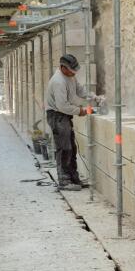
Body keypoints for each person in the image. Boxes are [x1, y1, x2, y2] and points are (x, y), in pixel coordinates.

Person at [44, 53, 104, 190]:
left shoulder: (70, 76)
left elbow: (80, 90)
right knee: (64, 148)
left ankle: (73, 178)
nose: (74, 73)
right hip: (57, 115)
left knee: (72, 147)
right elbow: (62, 106)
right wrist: (80, 111)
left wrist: (95, 97)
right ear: (63, 68)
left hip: (63, 115)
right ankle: (64, 181)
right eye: (72, 71)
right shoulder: (58, 81)